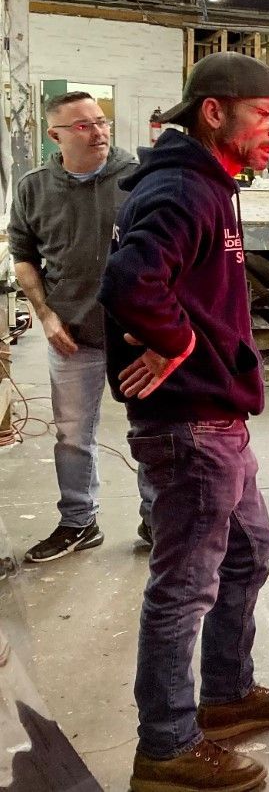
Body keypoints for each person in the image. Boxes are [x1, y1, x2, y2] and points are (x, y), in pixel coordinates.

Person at [99, 53, 269, 792]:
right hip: (189, 427)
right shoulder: (184, 187)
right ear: (213, 112)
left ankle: (224, 694)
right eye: (266, 116)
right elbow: (129, 281)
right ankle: (166, 746)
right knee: (184, 586)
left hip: (216, 417)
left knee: (248, 550)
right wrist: (178, 340)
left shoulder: (206, 183)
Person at [8, 91, 153, 562]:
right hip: (72, 334)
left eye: (102, 121)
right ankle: (78, 522)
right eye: (84, 126)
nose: (100, 132)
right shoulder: (34, 188)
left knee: (150, 431)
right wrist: (46, 317)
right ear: (56, 135)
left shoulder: (138, 180)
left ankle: (157, 520)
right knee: (72, 435)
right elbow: (24, 258)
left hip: (135, 334)